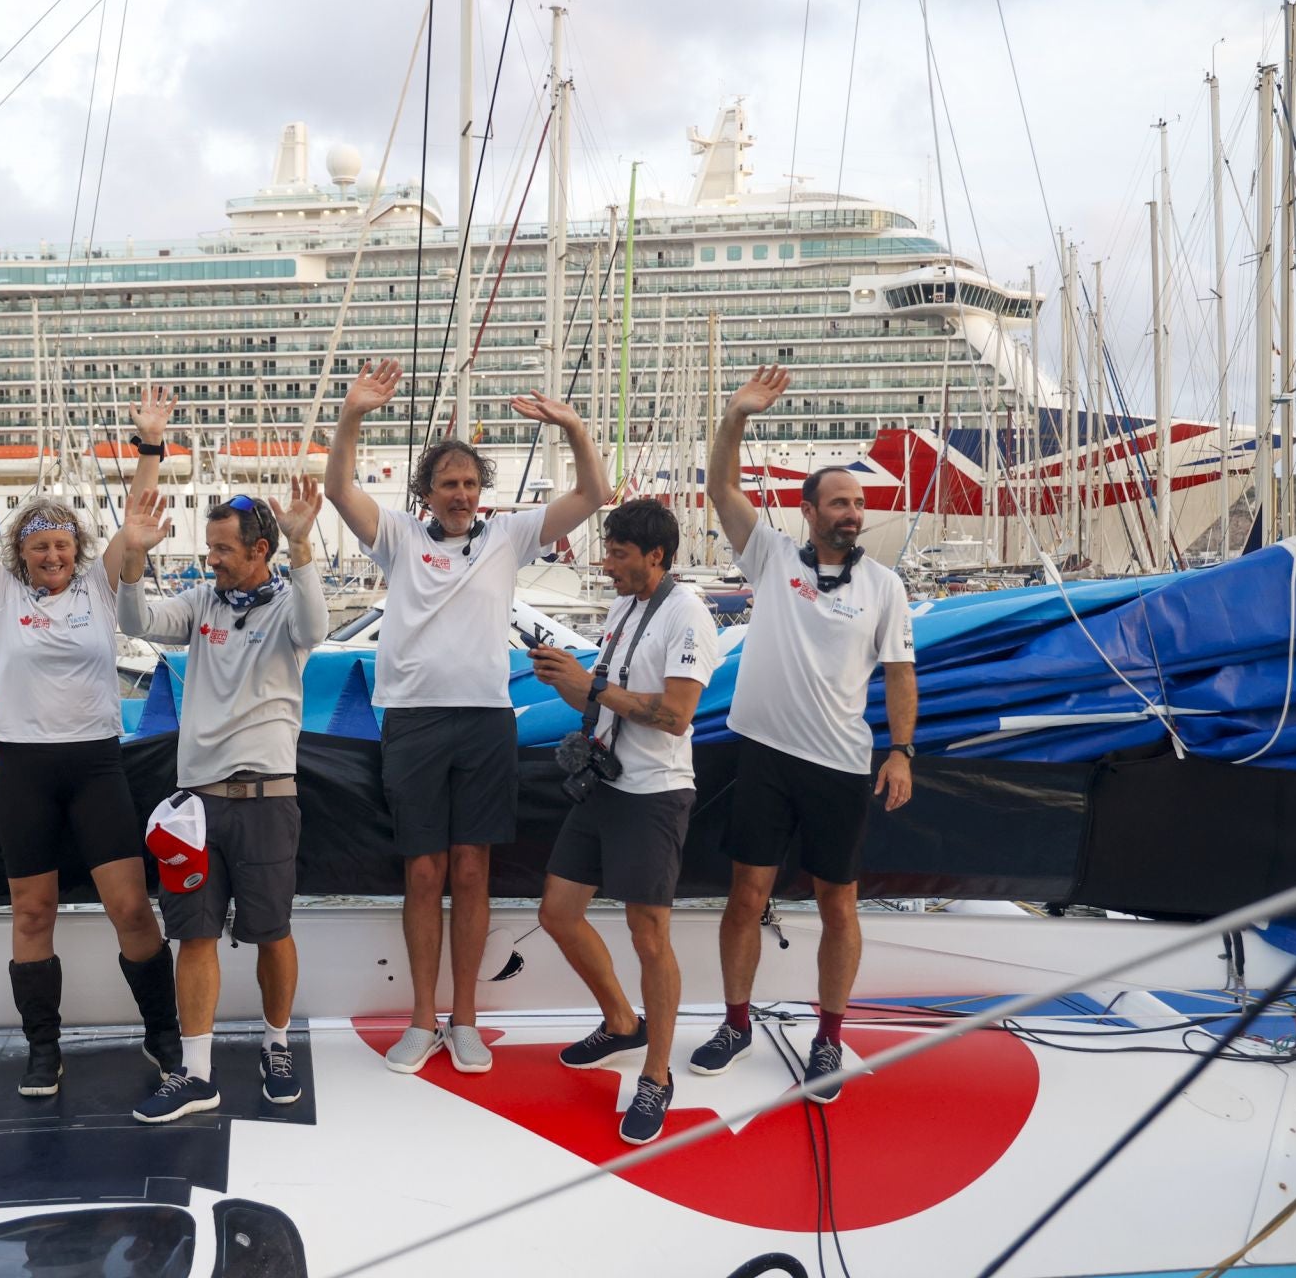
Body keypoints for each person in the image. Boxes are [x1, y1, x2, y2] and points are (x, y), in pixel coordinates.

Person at [325, 359, 614, 1075]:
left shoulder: (508, 536)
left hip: (486, 720)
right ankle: (422, 1020)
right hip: (413, 720)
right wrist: (353, 413)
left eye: (470, 485)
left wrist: (572, 425)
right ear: (425, 492)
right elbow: (338, 490)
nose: (460, 495)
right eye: (448, 484)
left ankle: (465, 1020)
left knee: (472, 870)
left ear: (482, 492)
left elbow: (595, 493)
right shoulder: (400, 536)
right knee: (424, 873)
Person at [0, 385, 184, 1099]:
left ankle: (163, 1032)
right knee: (32, 912)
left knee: (130, 908)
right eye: (39, 547)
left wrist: (150, 443)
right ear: (22, 556)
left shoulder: (99, 589)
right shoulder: (0, 594)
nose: (52, 555)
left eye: (61, 545)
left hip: (95, 764)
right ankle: (43, 1048)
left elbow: (135, 522)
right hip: (23, 766)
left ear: (76, 551)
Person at [694, 364, 918, 1103]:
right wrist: (737, 415)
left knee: (837, 905)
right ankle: (735, 1024)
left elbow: (899, 674)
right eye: (840, 502)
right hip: (764, 758)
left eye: (859, 503)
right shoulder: (770, 557)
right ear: (809, 509)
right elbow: (722, 489)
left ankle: (829, 1036)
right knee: (745, 896)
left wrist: (902, 751)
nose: (853, 513)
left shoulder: (884, 587)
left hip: (841, 766)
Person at [116, 476, 328, 1122]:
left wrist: (303, 546)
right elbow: (135, 621)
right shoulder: (201, 602)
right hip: (196, 807)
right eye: (209, 548)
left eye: (222, 550)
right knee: (194, 934)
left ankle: (277, 1046)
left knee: (274, 932)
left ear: (260, 550)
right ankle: (198, 1073)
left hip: (268, 799)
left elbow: (315, 625)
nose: (211, 560)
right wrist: (134, 555)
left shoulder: (290, 605)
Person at [529, 497, 719, 1145]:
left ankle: (657, 1076)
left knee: (649, 935)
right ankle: (620, 1022)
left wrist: (591, 686)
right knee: (558, 912)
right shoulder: (624, 606)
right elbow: (599, 694)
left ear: (655, 556)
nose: (605, 564)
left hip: (654, 794)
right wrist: (563, 677)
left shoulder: (687, 614)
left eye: (617, 553)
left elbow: (676, 716)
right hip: (605, 783)